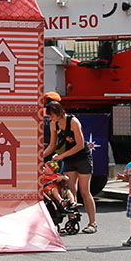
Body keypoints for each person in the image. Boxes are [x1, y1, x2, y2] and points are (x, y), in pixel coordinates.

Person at [40, 99, 97, 233]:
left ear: (59, 112)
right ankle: (73, 220)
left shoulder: (73, 122)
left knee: (84, 191)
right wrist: (40, 156)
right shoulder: (54, 124)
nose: (50, 118)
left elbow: (80, 144)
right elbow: (52, 145)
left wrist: (62, 156)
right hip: (69, 159)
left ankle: (92, 223)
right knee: (70, 189)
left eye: (52, 115)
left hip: (82, 158)